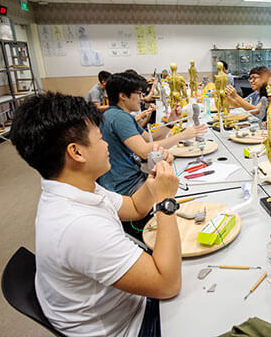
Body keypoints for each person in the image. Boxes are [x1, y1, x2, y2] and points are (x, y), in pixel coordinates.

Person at [9, 92, 182, 336]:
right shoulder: (78, 225)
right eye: (101, 139)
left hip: (125, 304)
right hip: (131, 326)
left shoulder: (72, 186)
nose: (107, 145)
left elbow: (133, 207)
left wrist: (154, 182)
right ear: (76, 152)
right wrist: (166, 202)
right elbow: (168, 285)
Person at [98, 72, 206, 235]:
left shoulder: (120, 115)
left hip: (130, 178)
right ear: (123, 96)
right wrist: (183, 135)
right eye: (138, 94)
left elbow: (149, 139)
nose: (142, 98)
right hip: (125, 187)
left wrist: (170, 122)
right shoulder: (118, 117)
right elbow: (143, 150)